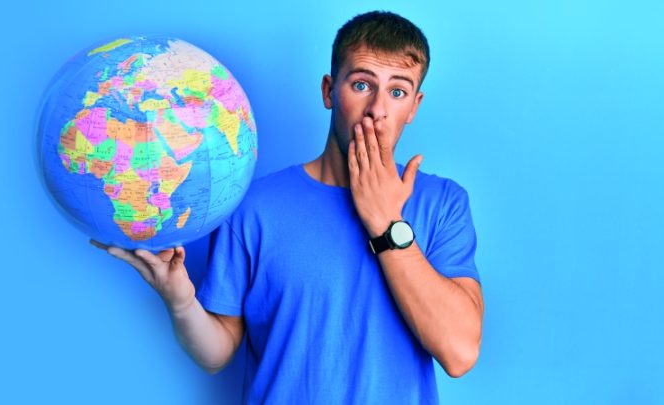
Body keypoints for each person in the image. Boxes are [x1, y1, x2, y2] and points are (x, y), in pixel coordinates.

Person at [92, 10, 483, 404]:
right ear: (329, 91)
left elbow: (460, 352)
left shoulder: (444, 203)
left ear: (413, 107)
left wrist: (386, 222)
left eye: (397, 92)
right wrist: (179, 301)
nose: (377, 110)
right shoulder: (255, 207)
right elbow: (217, 353)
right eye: (362, 84)